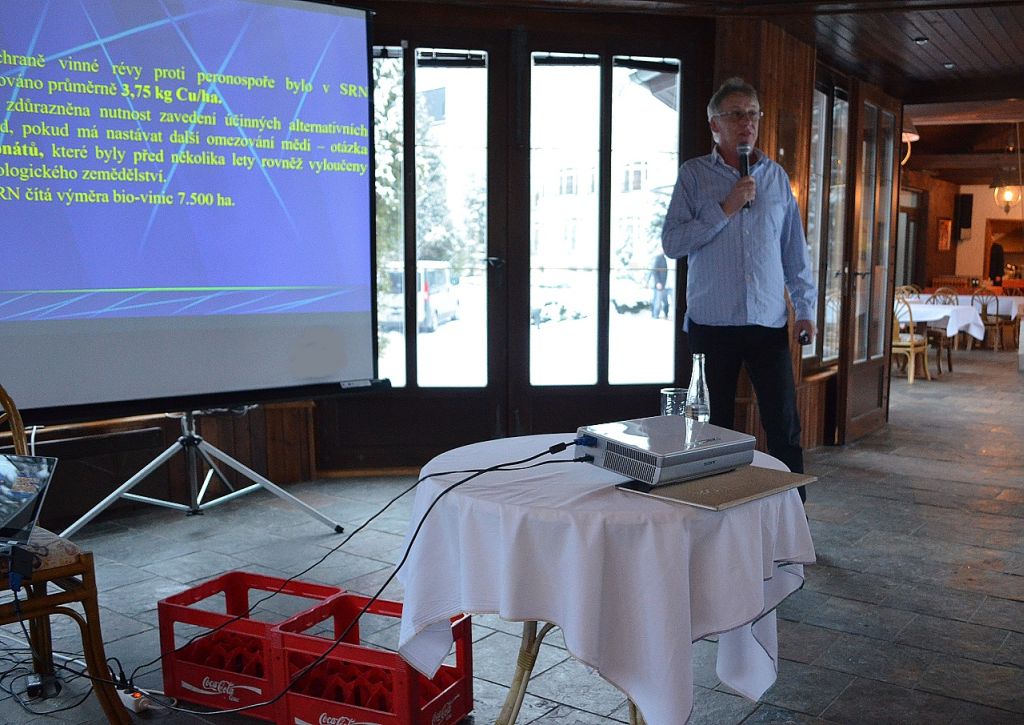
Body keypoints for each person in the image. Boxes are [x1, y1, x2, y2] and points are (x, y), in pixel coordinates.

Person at [661, 77, 817, 501]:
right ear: (715, 125)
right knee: (711, 432)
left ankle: (794, 524)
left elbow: (793, 251)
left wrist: (805, 308)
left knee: (784, 427)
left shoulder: (776, 177)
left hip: (768, 324)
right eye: (735, 114)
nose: (746, 122)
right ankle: (715, 516)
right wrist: (725, 208)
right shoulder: (694, 176)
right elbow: (672, 244)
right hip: (712, 328)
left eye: (752, 114)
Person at [648, 252, 670, 319]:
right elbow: (654, 271)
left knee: (666, 301)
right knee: (657, 301)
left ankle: (666, 315)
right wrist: (658, 282)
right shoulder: (659, 257)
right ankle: (655, 316)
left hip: (670, 284)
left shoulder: (674, 258)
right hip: (661, 284)